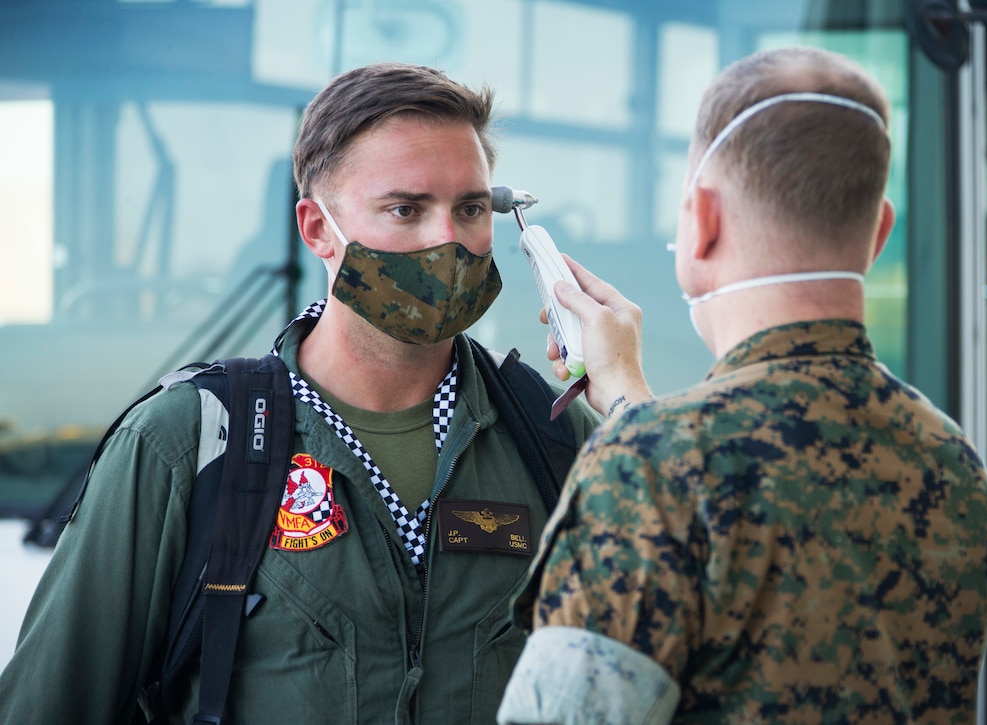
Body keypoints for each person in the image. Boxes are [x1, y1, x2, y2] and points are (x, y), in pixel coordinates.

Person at [0, 63, 598, 724]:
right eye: (406, 208)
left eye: (472, 208)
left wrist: (629, 405)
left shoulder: (554, 437)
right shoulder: (184, 445)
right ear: (317, 231)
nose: (448, 240)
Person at [498, 46, 987, 724]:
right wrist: (628, 399)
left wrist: (640, 438)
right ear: (880, 229)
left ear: (700, 221)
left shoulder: (652, 469)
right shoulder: (954, 463)